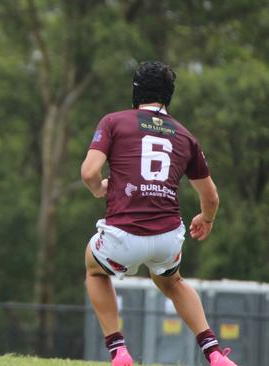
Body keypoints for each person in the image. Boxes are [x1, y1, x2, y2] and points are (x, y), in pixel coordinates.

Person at [80, 61, 236, 366]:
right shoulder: (185, 136)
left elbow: (88, 172)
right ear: (169, 96)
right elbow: (211, 196)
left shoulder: (114, 122)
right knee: (173, 282)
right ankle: (214, 352)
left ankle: (118, 350)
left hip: (122, 237)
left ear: (135, 91)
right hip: (167, 238)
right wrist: (207, 219)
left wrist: (99, 188)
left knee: (95, 270)